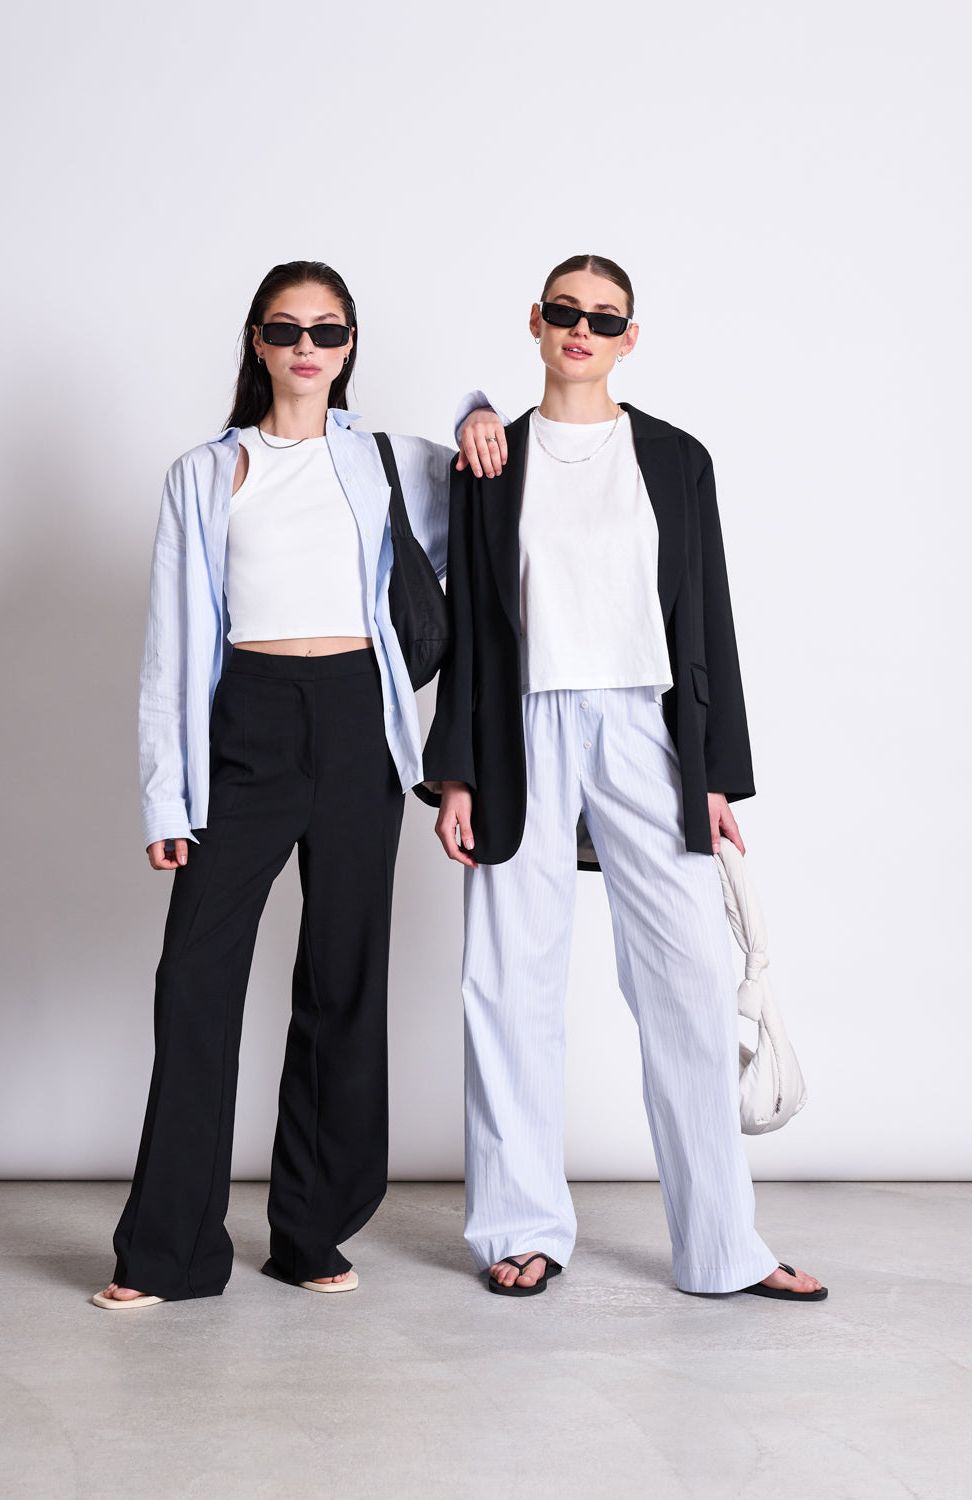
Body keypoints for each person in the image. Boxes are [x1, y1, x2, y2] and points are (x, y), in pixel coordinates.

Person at [94, 260, 503, 1309]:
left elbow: (479, 483)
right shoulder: (206, 473)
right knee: (194, 980)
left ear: (349, 345)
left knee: (342, 979)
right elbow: (168, 647)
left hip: (361, 724)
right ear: (258, 343)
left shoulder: (380, 459)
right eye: (286, 330)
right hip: (250, 726)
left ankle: (309, 1231)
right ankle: (168, 1253)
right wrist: (164, 795)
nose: (306, 348)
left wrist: (478, 410)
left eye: (326, 331)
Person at [423, 254, 827, 1301]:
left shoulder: (677, 459)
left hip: (649, 726)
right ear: (535, 321)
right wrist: (457, 769)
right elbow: (470, 622)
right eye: (564, 312)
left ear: (629, 337)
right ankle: (517, 1226)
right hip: (521, 728)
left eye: (603, 318)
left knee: (688, 980)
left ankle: (721, 1246)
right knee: (508, 980)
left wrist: (718, 776)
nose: (581, 330)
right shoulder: (489, 459)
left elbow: (710, 621)